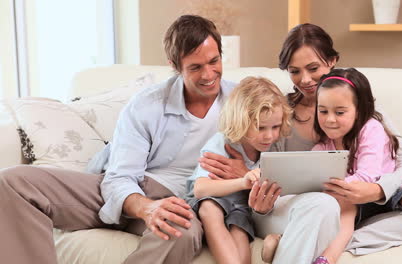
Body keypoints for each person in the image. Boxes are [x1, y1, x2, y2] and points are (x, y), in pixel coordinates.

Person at [199, 23, 402, 264]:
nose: (305, 80)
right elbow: (262, 163)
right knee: (323, 206)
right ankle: (320, 237)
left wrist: (376, 191)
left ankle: (321, 243)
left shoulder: (363, 111)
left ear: (332, 61)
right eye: (295, 71)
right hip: (293, 206)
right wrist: (248, 178)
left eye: (313, 68)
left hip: (350, 207)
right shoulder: (279, 113)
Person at [0, 15, 237, 264]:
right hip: (127, 189)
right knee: (13, 183)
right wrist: (147, 208)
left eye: (214, 61)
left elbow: (270, 160)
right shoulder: (148, 104)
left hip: (185, 203)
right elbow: (120, 177)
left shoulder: (243, 101)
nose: (209, 74)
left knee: (181, 232)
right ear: (175, 65)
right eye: (196, 67)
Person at [307, 68, 402, 264]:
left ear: (359, 110)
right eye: (323, 111)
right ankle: (327, 258)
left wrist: (336, 187)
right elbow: (313, 182)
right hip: (356, 203)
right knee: (345, 206)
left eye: (340, 112)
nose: (330, 119)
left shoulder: (371, 129)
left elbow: (369, 175)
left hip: (389, 193)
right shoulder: (322, 146)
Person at [185, 77, 292, 263]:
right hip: (210, 201)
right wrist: (242, 182)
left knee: (240, 231)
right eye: (261, 127)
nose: (270, 136)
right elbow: (200, 189)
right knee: (210, 208)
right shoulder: (223, 142)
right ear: (241, 120)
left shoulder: (274, 148)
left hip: (241, 209)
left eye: (275, 127)